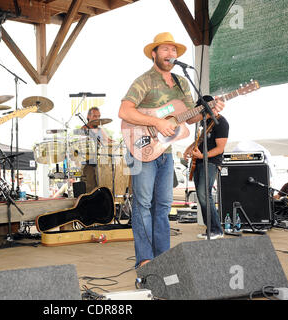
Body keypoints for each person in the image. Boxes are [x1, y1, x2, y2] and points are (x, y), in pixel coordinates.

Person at [118, 32, 225, 268]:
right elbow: (124, 112)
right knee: (143, 204)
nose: (170, 54)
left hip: (164, 151)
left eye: (173, 50)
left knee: (164, 205)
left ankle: (164, 259)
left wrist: (210, 110)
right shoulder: (144, 80)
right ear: (154, 54)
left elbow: (191, 116)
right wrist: (157, 122)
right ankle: (145, 260)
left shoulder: (181, 81)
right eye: (165, 49)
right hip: (140, 147)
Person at [183, 98, 229, 240]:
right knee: (202, 195)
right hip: (201, 162)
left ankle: (216, 229)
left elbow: (220, 148)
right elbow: (201, 140)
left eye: (200, 109)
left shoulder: (221, 122)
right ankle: (211, 229)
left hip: (211, 162)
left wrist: (203, 155)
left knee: (204, 195)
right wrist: (189, 149)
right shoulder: (206, 123)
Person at [80, 107, 112, 192]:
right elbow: (83, 149)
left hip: (101, 164)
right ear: (88, 116)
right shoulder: (83, 129)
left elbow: (108, 143)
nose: (97, 119)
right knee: (90, 190)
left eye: (98, 116)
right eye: (95, 116)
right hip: (89, 164)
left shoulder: (101, 130)